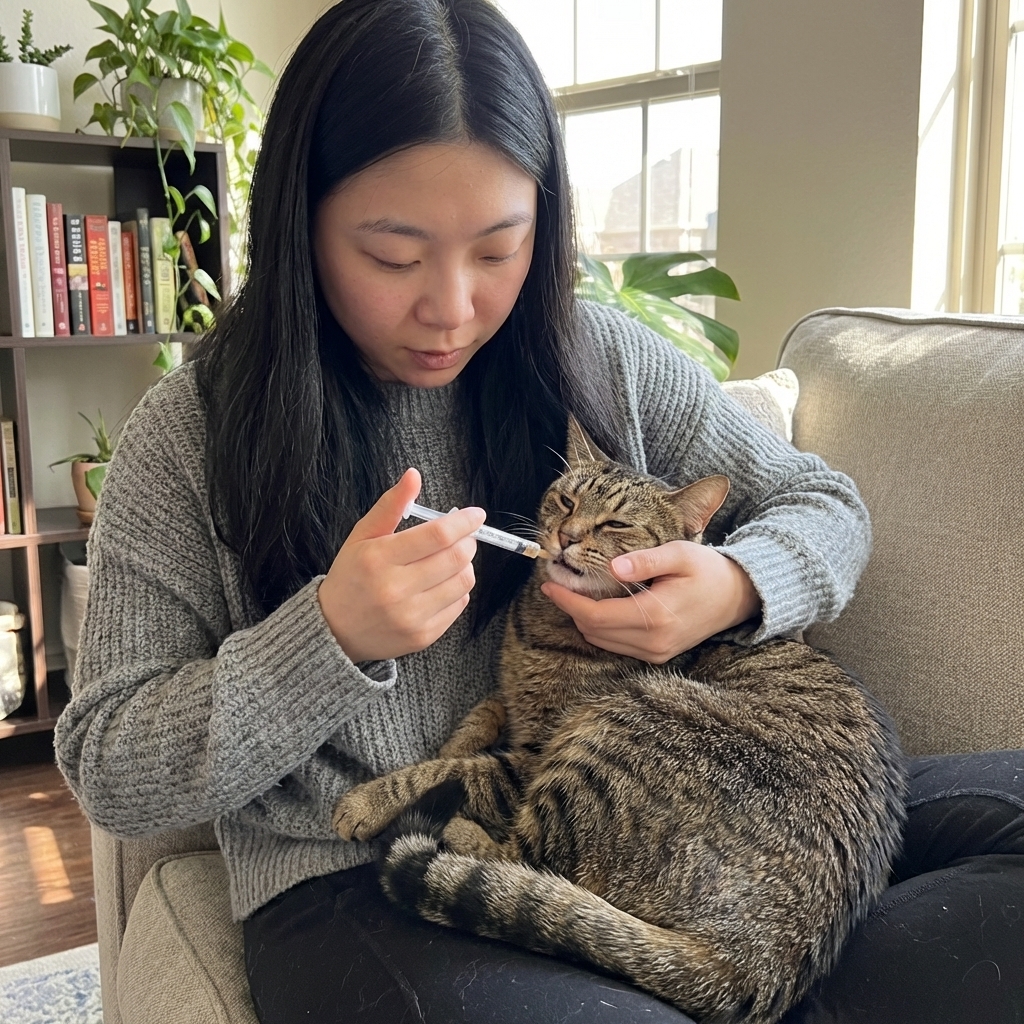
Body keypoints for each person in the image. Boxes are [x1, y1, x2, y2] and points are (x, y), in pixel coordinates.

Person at [55, 1, 1024, 1021]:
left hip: (688, 824)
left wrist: (736, 583)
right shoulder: (194, 433)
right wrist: (325, 637)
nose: (452, 308)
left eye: (498, 249)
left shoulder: (595, 357)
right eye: (391, 256)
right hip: (359, 872)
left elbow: (821, 501)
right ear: (300, 225)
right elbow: (110, 767)